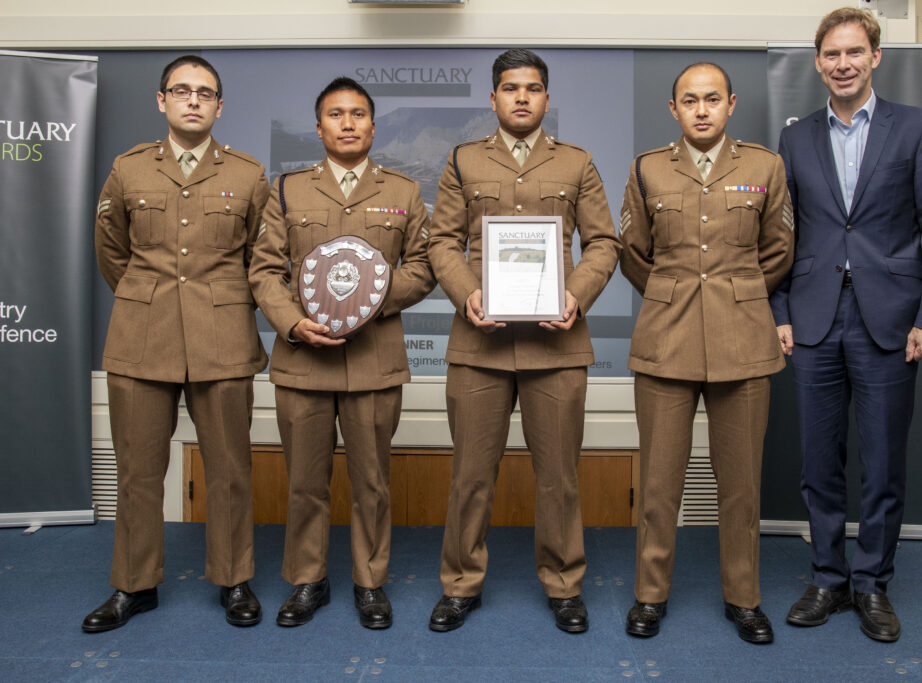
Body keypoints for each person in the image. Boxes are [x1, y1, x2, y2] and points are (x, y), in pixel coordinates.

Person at [771, 8, 922, 643]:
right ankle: (827, 575)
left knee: (882, 463)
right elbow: (780, 236)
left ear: (875, 57)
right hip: (815, 319)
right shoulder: (794, 137)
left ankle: (872, 583)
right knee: (819, 461)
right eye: (831, 55)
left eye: (854, 52)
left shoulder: (916, 128)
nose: (842, 64)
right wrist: (780, 313)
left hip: (892, 321)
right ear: (817, 62)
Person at [426, 48, 621, 634]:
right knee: (470, 474)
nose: (521, 97)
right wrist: (467, 294)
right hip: (479, 343)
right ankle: (460, 585)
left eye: (532, 88)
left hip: (556, 343)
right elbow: (441, 242)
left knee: (559, 474)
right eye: (510, 88)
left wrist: (575, 295)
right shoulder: (462, 161)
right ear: (493, 98)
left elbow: (605, 243)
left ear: (545, 98)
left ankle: (564, 584)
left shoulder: (578, 163)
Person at [86, 55, 269, 631]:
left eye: (205, 93)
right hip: (142, 339)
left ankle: (234, 579)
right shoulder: (129, 169)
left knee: (231, 468)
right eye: (182, 91)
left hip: (223, 339)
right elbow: (113, 252)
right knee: (138, 470)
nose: (194, 100)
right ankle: (134, 586)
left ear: (219, 107)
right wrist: (149, 301)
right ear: (161, 101)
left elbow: (258, 262)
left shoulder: (247, 174)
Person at [249, 77, 434, 628]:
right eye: (336, 114)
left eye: (358, 114)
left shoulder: (403, 191)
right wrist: (293, 323)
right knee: (305, 480)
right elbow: (263, 270)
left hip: (375, 359)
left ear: (373, 127)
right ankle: (307, 580)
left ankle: (369, 581)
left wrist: (369, 303)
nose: (347, 123)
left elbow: (425, 266)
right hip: (303, 358)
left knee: (372, 481)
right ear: (319, 126)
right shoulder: (286, 190)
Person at [619, 63, 794, 643]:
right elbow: (634, 254)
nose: (701, 109)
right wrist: (675, 294)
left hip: (742, 341)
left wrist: (734, 296)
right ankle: (650, 595)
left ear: (731, 104)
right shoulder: (647, 169)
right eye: (689, 100)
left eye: (712, 99)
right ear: (674, 109)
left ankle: (743, 599)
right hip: (665, 342)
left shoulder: (765, 166)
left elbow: (779, 251)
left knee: (741, 485)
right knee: (661, 484)